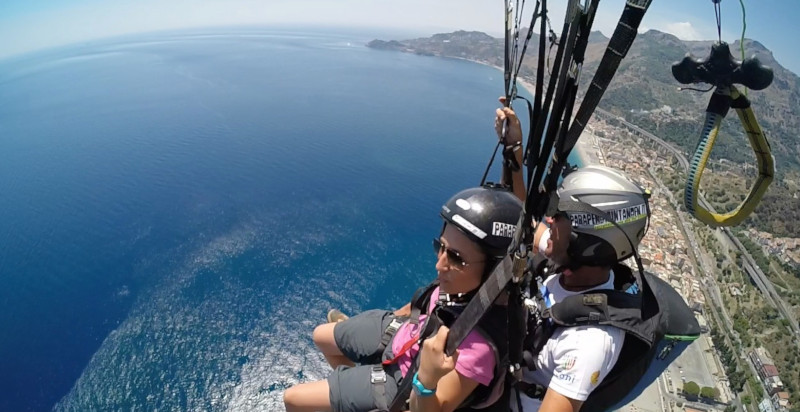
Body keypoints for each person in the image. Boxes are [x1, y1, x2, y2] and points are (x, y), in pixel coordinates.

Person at [416, 111, 651, 412]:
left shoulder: (589, 344)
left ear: (587, 243)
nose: (549, 219)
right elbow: (522, 220)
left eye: (559, 216)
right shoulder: (564, 260)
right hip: (495, 357)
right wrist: (514, 148)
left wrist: (427, 383)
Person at [282, 182, 524, 412]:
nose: (439, 264)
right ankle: (350, 390)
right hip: (406, 333)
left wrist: (426, 381)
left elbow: (435, 408)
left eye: (455, 258)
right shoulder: (461, 289)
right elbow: (422, 306)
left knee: (293, 399)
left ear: (494, 272)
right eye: (440, 247)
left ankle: (353, 394)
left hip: (403, 380)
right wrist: (396, 319)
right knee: (320, 335)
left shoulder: (477, 349)